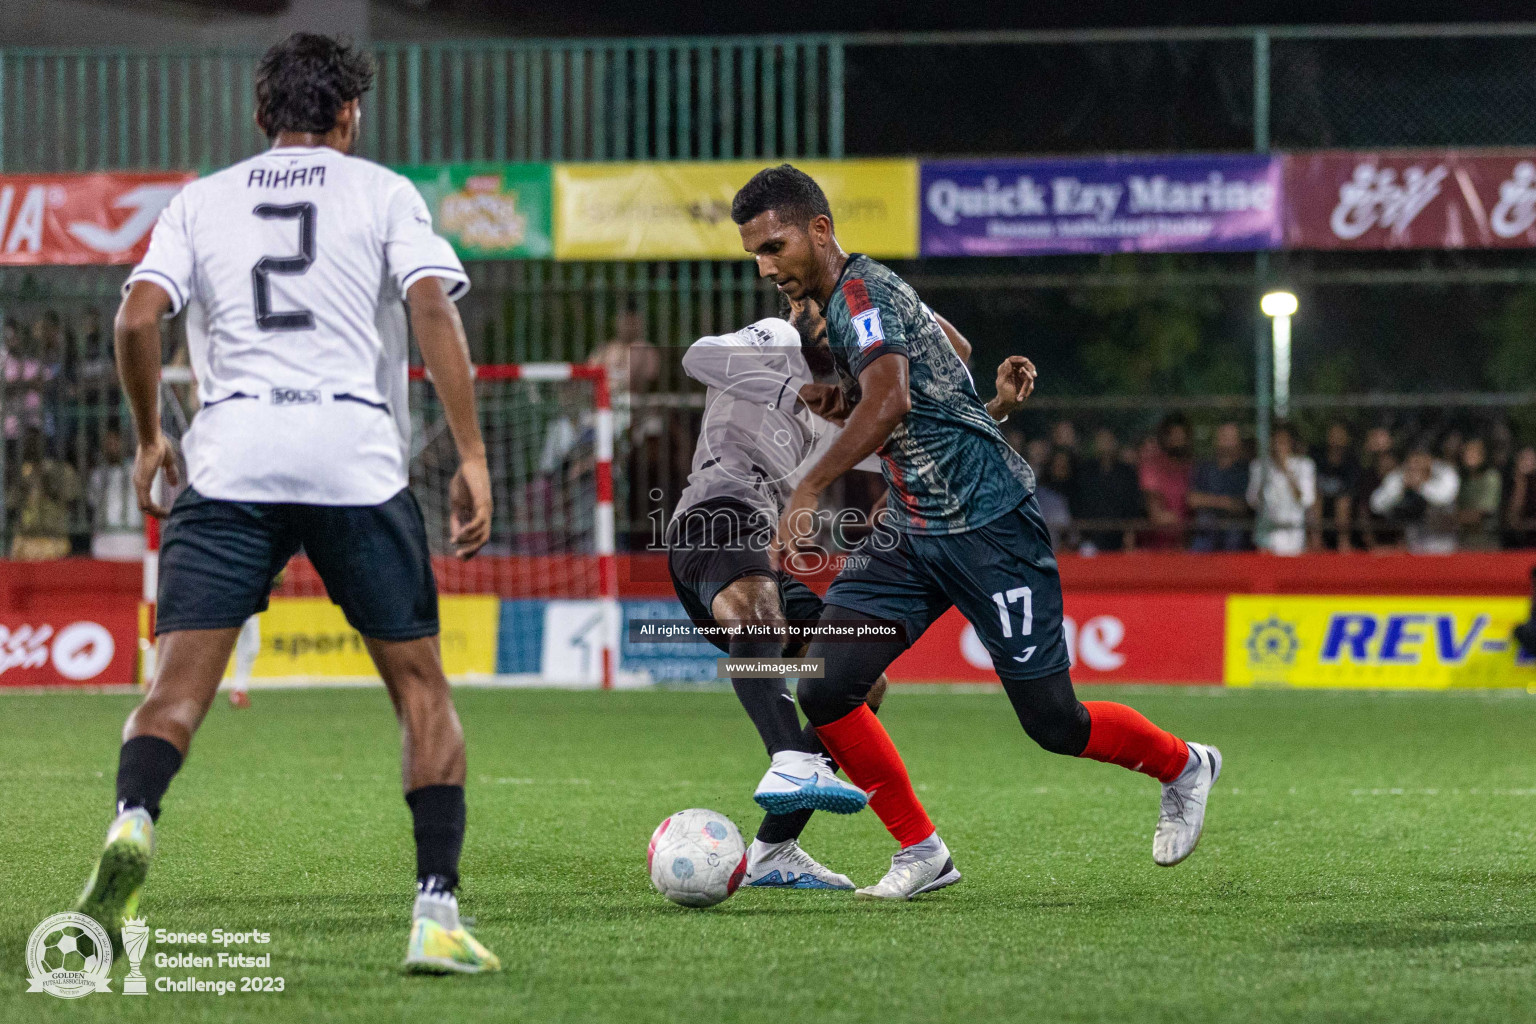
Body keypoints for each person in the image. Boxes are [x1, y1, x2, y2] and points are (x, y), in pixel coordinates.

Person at [73, 34, 499, 974]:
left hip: (230, 459)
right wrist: (470, 454)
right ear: (349, 114)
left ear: (261, 117)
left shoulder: (201, 200)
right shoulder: (384, 191)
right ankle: (436, 913)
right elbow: (432, 306)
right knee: (420, 689)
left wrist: (152, 435)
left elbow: (136, 318)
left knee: (172, 696)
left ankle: (133, 822)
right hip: (353, 456)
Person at [734, 164, 1220, 901]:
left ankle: (1184, 765)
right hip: (911, 530)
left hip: (993, 529)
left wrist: (809, 484)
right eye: (755, 256)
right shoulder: (856, 299)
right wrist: (985, 405)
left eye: (774, 247)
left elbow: (893, 397)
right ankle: (921, 850)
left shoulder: (860, 295)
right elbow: (951, 354)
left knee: (1055, 722)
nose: (767, 267)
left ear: (820, 230)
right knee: (828, 688)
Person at [668, 297, 1025, 889]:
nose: (802, 305)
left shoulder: (841, 403)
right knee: (761, 627)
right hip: (713, 516)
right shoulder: (776, 338)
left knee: (855, 684)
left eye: (815, 299)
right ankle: (789, 759)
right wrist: (792, 395)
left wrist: (994, 410)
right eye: (804, 298)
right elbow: (698, 355)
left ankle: (772, 851)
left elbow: (920, 432)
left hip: (762, 552)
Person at [1370, 445, 1460, 554]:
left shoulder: (1445, 472)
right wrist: (1399, 489)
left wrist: (1421, 486)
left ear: (1428, 460)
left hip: (1442, 540)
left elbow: (1445, 497)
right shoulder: (1400, 476)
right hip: (1410, 541)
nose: (1414, 467)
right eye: (1411, 463)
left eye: (1418, 462)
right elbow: (1376, 505)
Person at [8, 426, 81, 560]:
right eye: (27, 441)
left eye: (35, 440)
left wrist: (47, 480)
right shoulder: (21, 472)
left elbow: (73, 501)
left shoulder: (61, 470)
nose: (31, 444)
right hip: (25, 541)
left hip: (53, 541)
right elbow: (11, 506)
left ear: (44, 443)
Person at [1246, 422, 1316, 556]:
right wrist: (1265, 476)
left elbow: (1307, 500)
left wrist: (1286, 471)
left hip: (1293, 535)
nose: (1278, 447)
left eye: (1283, 442)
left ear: (1291, 443)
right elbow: (1252, 500)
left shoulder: (1304, 465)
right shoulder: (1259, 466)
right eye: (1275, 442)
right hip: (1267, 536)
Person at [1071, 426, 1142, 553]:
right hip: (1090, 536)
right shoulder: (1085, 471)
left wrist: (1129, 533)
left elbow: (1132, 503)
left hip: (1119, 536)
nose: (1105, 445)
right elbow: (1078, 501)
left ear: (1115, 443)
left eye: (1108, 441)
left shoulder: (1126, 472)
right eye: (1101, 440)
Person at [1187, 421, 1250, 552]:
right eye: (1223, 437)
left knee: (1233, 531)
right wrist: (1224, 502)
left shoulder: (1245, 471)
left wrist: (1208, 501)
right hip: (1206, 529)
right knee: (1204, 523)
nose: (1226, 442)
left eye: (1230, 438)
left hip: (1233, 531)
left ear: (1238, 442)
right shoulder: (1204, 468)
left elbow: (1241, 506)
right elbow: (1193, 500)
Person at [87, 426, 145, 561]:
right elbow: (93, 504)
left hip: (134, 543)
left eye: (115, 442)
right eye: (108, 443)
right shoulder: (97, 475)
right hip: (104, 544)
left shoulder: (137, 471)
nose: (112, 447)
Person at [1138, 412, 1193, 549]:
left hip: (1185, 547)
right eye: (1173, 435)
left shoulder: (1190, 467)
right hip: (1155, 547)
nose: (1177, 440)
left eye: (1181, 436)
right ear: (1164, 437)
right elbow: (1157, 516)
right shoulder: (1153, 466)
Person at [1312, 421, 1360, 552]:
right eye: (1333, 435)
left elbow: (1349, 491)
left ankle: (1343, 543)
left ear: (1346, 439)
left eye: (1340, 436)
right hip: (1321, 507)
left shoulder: (1351, 462)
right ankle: (1316, 541)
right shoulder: (1318, 459)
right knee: (1316, 498)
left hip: (1343, 510)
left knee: (1343, 501)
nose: (1336, 440)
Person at [1454, 436, 1502, 551]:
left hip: (1486, 539)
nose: (1469, 456)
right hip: (1464, 539)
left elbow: (1485, 511)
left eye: (1474, 452)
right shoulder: (1462, 480)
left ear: (1483, 456)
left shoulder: (1491, 477)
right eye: (1466, 452)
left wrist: (1453, 518)